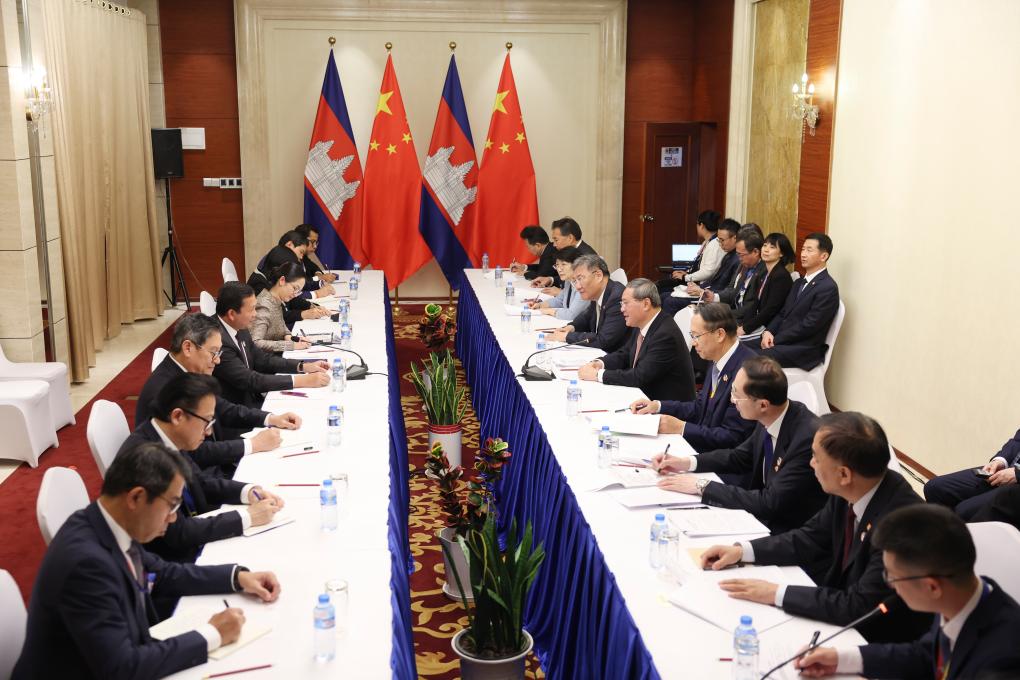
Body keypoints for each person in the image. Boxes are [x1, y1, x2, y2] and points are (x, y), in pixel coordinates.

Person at [12, 442, 282, 680]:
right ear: (136, 497)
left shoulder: (105, 521)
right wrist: (212, 634)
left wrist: (237, 577)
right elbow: (123, 669)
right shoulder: (86, 565)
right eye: (172, 505)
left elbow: (161, 573)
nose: (174, 518)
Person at [698, 412, 931, 643]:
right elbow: (810, 538)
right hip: (840, 614)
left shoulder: (902, 526)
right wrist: (743, 551)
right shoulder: (854, 487)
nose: (811, 464)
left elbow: (858, 605)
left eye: (816, 458)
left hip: (878, 640)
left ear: (843, 474)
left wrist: (775, 593)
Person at [794, 504, 1020, 679]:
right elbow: (926, 655)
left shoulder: (1003, 661)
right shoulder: (966, 596)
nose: (889, 585)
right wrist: (840, 659)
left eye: (892, 577)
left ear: (932, 586)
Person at [120, 374, 284, 564]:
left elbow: (200, 482)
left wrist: (249, 491)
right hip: (174, 561)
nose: (209, 432)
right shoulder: (145, 459)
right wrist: (246, 517)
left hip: (195, 530)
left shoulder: (167, 436)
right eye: (207, 422)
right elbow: (176, 533)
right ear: (177, 416)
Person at [652, 355, 826, 534]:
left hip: (788, 530)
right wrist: (685, 462)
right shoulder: (772, 414)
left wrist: (702, 486)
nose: (732, 400)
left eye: (736, 394)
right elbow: (740, 457)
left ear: (763, 405)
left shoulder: (805, 441)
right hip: (762, 513)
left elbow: (769, 503)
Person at [138, 314, 300, 472]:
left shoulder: (189, 371)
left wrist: (270, 418)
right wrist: (253, 444)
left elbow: (223, 408)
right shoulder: (162, 392)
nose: (218, 360)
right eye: (213, 352)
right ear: (188, 348)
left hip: (214, 458)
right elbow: (193, 452)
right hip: (195, 475)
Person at [629, 303, 757, 451]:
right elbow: (699, 407)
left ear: (720, 334)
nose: (693, 342)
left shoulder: (747, 371)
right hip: (704, 447)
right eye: (692, 336)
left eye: (696, 336)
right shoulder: (717, 359)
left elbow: (732, 437)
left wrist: (682, 428)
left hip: (722, 462)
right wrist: (658, 406)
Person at [212, 281, 329, 410]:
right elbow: (249, 380)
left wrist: (303, 366)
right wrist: (303, 381)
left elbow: (262, 359)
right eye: (251, 309)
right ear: (232, 314)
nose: (255, 314)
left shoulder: (239, 325)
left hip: (252, 400)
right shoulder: (216, 341)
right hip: (238, 411)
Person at [577, 278, 696, 401]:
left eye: (626, 303)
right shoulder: (644, 323)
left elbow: (639, 376)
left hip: (665, 408)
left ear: (646, 304)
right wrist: (599, 363)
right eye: (621, 304)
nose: (622, 309)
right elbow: (625, 353)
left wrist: (598, 375)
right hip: (643, 397)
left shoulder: (665, 335)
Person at [747, 232, 840, 370]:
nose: (803, 254)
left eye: (809, 250)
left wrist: (777, 339)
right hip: (783, 341)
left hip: (801, 349)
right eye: (803, 249)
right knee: (735, 349)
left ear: (823, 256)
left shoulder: (828, 288)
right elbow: (783, 312)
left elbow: (809, 325)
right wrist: (769, 332)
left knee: (747, 358)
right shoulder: (799, 282)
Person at [924, 427, 1020, 519]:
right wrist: (1001, 461)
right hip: (1007, 469)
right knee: (934, 488)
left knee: (964, 511)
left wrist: (1017, 474)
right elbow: (1017, 440)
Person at [545, 254, 628, 352]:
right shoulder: (597, 292)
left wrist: (567, 337)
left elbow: (604, 339)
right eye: (575, 281)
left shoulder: (617, 298)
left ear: (598, 275)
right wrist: (571, 327)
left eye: (580, 279)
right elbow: (587, 316)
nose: (577, 286)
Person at [664, 219, 743, 316]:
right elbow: (715, 280)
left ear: (735, 238)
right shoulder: (728, 255)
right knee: (666, 295)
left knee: (670, 301)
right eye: (719, 240)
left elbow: (728, 290)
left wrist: (702, 291)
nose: (720, 244)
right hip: (707, 291)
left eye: (722, 240)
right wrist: (699, 288)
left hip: (713, 298)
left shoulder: (738, 260)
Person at [736, 232, 795, 336]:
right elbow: (756, 304)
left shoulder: (781, 276)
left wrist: (745, 328)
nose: (766, 250)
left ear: (781, 253)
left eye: (772, 247)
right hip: (758, 323)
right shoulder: (765, 273)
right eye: (764, 245)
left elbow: (770, 310)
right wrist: (743, 325)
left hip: (770, 329)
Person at [698, 230, 766, 320]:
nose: (739, 258)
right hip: (733, 311)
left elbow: (751, 307)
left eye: (741, 255)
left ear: (756, 252)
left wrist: (724, 314)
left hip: (745, 320)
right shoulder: (745, 265)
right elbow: (733, 291)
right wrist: (714, 297)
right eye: (738, 254)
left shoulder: (764, 271)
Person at [657, 209, 721, 294]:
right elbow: (699, 266)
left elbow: (707, 272)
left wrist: (685, 277)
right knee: (660, 284)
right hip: (693, 279)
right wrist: (687, 273)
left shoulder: (714, 244)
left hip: (700, 285)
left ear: (701, 225)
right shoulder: (707, 242)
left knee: (661, 287)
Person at [530, 217, 596, 288]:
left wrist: (561, 293)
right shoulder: (571, 251)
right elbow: (569, 278)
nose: (554, 245)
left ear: (570, 238)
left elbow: (589, 289)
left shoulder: (587, 257)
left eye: (556, 240)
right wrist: (550, 280)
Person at [526, 246, 588, 320]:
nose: (559, 269)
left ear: (576, 264)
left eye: (563, 264)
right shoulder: (569, 280)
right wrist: (540, 305)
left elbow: (571, 315)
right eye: (557, 265)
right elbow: (560, 300)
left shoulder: (584, 285)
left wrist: (548, 311)